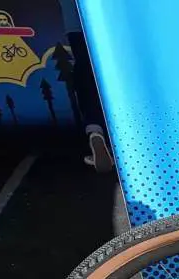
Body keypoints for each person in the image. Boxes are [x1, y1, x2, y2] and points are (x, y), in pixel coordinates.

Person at [58, 0, 113, 173]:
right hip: (111, 15)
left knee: (85, 70)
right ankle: (125, 136)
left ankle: (95, 130)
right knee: (114, 71)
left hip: (76, 21)